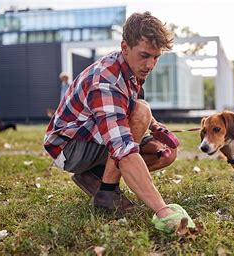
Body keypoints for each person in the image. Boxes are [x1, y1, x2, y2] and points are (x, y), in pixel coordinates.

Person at [44, 12, 193, 233]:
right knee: (142, 112)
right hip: (70, 148)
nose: (150, 64)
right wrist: (162, 210)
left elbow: (128, 110)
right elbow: (123, 147)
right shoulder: (105, 81)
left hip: (95, 139)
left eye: (156, 57)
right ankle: (107, 192)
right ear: (125, 47)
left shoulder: (133, 69)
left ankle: (93, 176)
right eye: (144, 55)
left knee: (166, 151)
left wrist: (155, 128)